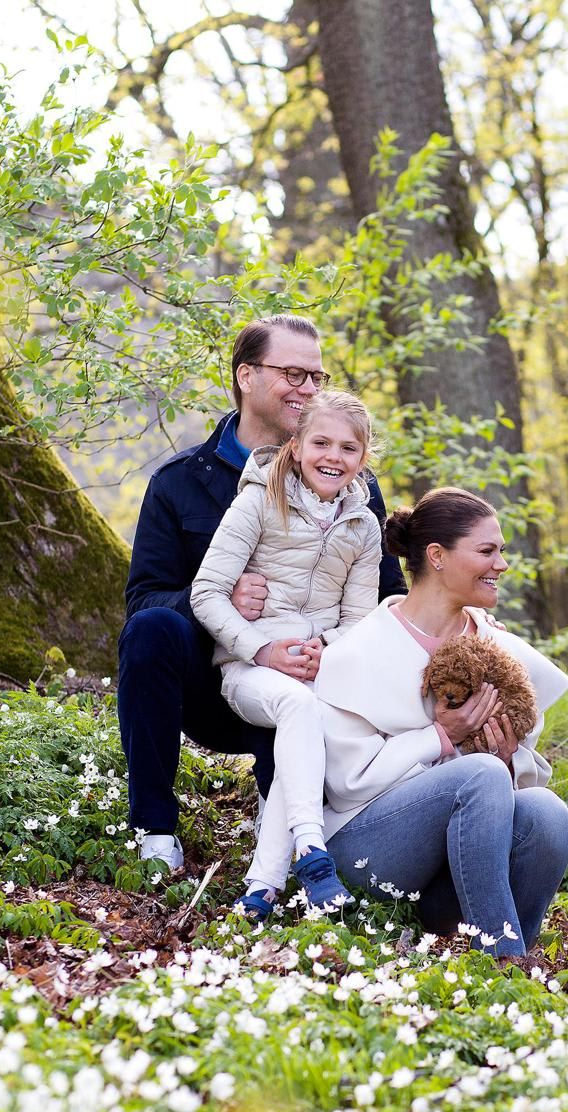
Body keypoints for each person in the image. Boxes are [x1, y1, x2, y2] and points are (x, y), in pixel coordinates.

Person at [118, 314, 406, 869]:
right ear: (246, 375)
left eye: (317, 377)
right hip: (215, 678)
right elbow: (146, 598)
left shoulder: (354, 490)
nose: (308, 388)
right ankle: (154, 830)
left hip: (313, 676)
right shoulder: (179, 482)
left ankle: (290, 812)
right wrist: (230, 603)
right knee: (152, 629)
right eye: (293, 373)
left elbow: (384, 594)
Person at [313, 487, 568, 958]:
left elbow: (516, 777)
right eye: (487, 551)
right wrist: (440, 738)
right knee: (481, 774)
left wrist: (508, 758)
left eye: (502, 551)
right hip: (367, 852)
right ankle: (505, 961)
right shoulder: (360, 649)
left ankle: (507, 954)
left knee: (547, 812)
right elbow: (347, 785)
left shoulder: (497, 647)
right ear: (437, 556)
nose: (502, 564)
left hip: (453, 872)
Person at [190, 391, 379, 916]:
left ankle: (261, 888)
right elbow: (205, 592)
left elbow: (359, 621)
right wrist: (262, 649)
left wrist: (328, 648)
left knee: (312, 719)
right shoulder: (257, 500)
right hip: (251, 671)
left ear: (363, 458)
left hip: (318, 673)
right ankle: (313, 853)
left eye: (348, 448)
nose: (332, 457)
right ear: (295, 447)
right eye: (321, 443)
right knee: (299, 708)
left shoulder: (363, 527)